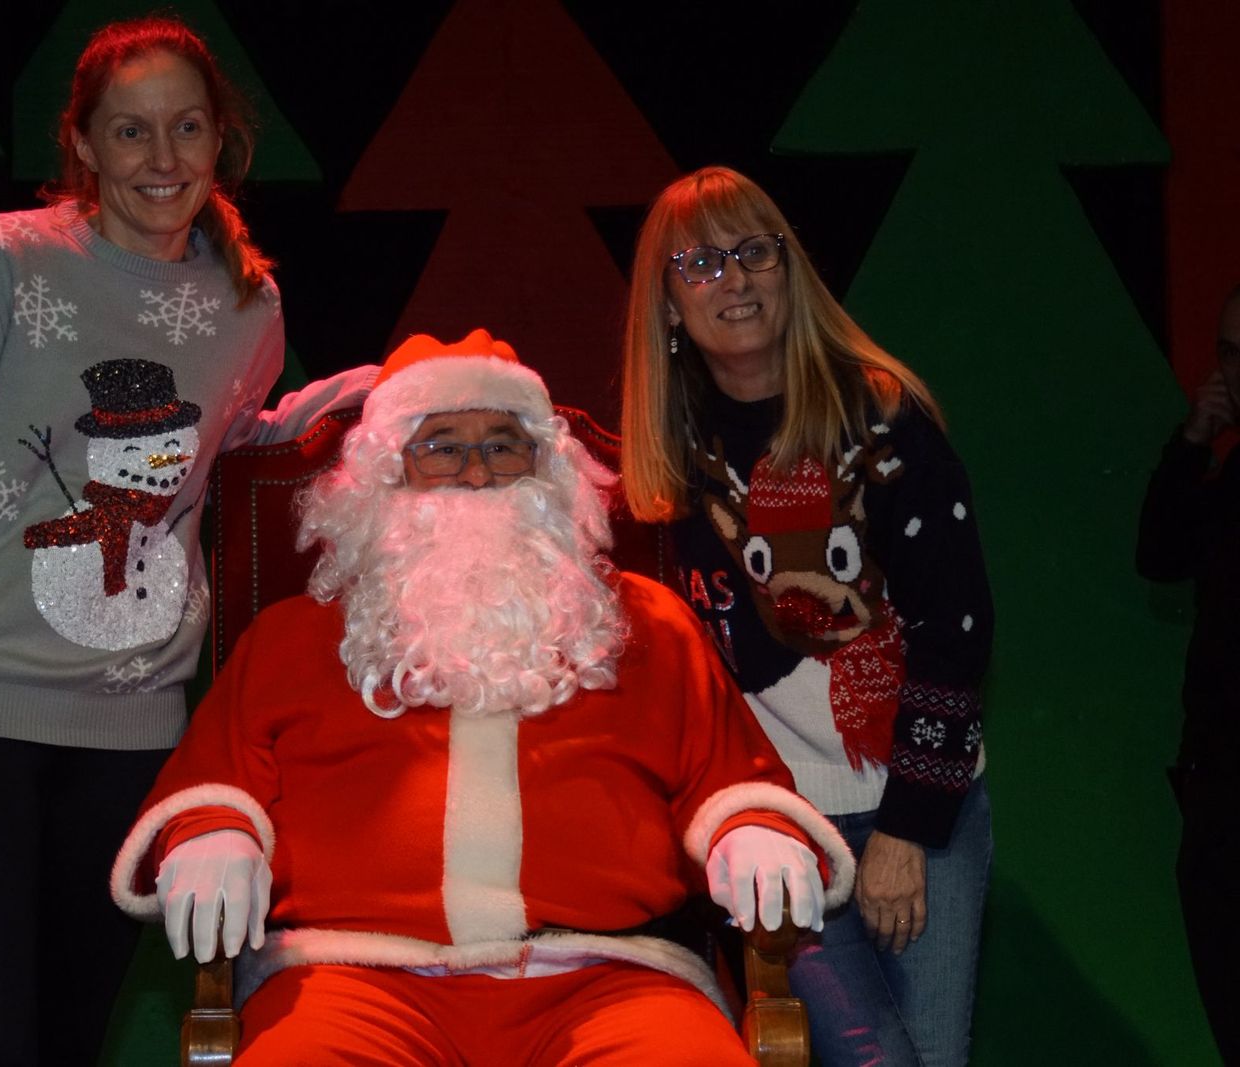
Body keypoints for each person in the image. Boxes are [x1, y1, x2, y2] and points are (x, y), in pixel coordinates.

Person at [0, 16, 372, 1065]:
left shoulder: (245, 302)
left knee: (71, 1039)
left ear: (223, 139)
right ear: (80, 145)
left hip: (132, 730)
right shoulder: (1, 261)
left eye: (185, 129)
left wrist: (359, 392)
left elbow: (222, 442)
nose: (161, 160)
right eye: (129, 133)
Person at [110, 329, 856, 1065]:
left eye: (504, 443)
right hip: (352, 980)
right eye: (441, 446)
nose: (476, 473)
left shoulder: (648, 625)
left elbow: (731, 778)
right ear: (384, 476)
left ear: (549, 469)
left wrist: (748, 830)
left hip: (610, 981)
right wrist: (213, 835)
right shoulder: (292, 638)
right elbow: (215, 780)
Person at [619, 167, 994, 1066]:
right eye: (700, 264)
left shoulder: (880, 415)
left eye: (754, 251)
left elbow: (958, 630)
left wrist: (906, 827)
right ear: (667, 304)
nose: (735, 279)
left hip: (922, 805)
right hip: (779, 832)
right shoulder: (671, 466)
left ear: (791, 272)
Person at [1135, 284, 1240, 1065]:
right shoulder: (1230, 476)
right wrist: (1194, 439)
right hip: (1218, 790)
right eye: (1230, 352)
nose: (1236, 370)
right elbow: (1161, 554)